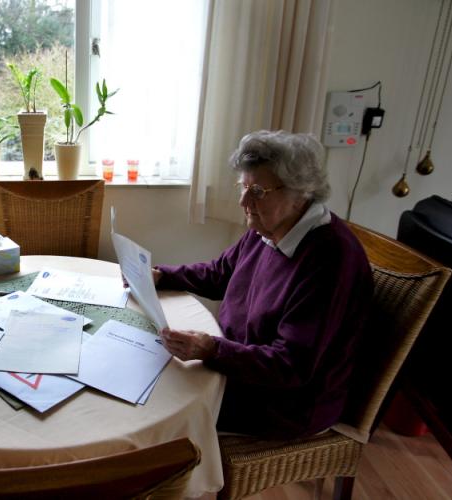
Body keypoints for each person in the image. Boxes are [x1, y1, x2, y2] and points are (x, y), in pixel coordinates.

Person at [155, 130, 372, 439]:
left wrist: (213, 350)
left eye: (257, 191)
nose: (244, 201)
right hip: (239, 366)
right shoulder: (269, 227)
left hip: (284, 403)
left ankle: (169, 480)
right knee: (155, 370)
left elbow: (291, 366)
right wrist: (162, 275)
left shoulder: (329, 259)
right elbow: (220, 274)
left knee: (164, 400)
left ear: (301, 193)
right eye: (243, 187)